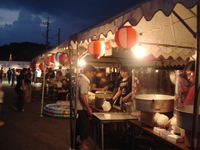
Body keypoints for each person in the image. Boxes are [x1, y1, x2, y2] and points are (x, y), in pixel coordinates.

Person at [75, 65, 96, 150]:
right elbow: (82, 95)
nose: (93, 76)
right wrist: (88, 108)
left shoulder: (79, 79)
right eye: (92, 74)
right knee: (85, 126)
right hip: (81, 107)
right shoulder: (83, 80)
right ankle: (83, 146)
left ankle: (76, 142)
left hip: (78, 107)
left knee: (78, 125)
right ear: (87, 72)